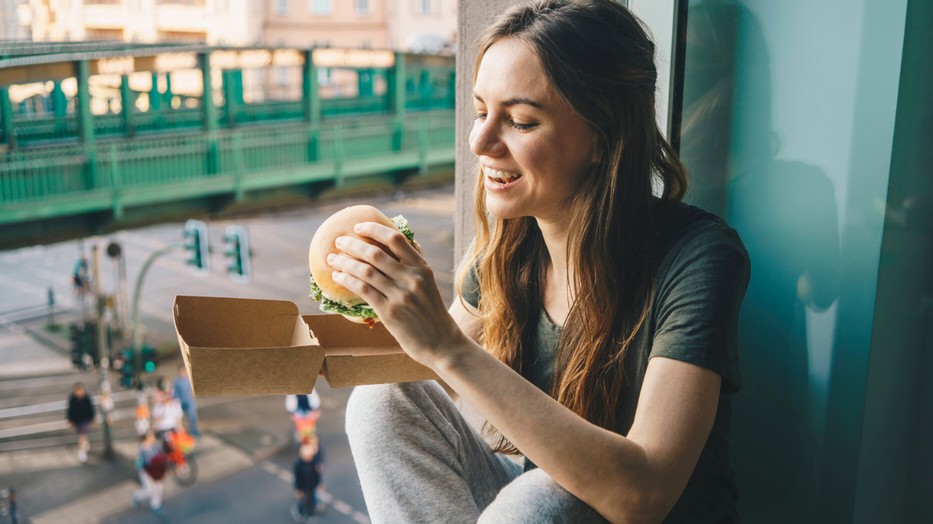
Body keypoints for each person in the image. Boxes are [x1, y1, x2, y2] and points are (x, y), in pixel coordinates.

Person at [332, 1, 750, 522]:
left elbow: (642, 495)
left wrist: (446, 345)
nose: (480, 142)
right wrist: (374, 300)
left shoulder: (698, 255)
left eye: (521, 121)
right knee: (383, 402)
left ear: (603, 136)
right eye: (482, 112)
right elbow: (416, 366)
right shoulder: (511, 249)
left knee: (537, 501)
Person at [132, 430, 167, 518]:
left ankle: (155, 504)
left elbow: (161, 454)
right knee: (149, 490)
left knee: (159, 486)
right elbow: (144, 462)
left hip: (155, 470)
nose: (153, 438)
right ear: (146, 438)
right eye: (150, 436)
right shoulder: (143, 449)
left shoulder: (155, 446)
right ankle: (137, 497)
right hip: (146, 471)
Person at [291, 435, 325, 523]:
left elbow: (316, 474)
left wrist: (319, 483)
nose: (310, 457)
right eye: (308, 455)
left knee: (311, 500)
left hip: (312, 486)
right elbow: (297, 478)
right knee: (303, 501)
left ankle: (310, 514)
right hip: (304, 488)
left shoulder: (313, 461)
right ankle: (299, 512)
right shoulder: (298, 465)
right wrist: (298, 489)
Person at [65, 382, 95, 463]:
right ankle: (84, 447)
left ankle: (82, 451)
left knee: (82, 435)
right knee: (83, 435)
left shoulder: (86, 398)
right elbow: (70, 410)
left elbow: (90, 409)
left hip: (84, 420)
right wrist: (70, 420)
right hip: (77, 420)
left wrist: (92, 418)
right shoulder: (73, 399)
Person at [172, 365, 200, 437]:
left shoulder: (189, 380)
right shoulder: (176, 381)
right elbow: (175, 392)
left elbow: (194, 389)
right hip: (180, 401)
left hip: (189, 401)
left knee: (192, 416)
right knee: (181, 418)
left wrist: (192, 392)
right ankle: (183, 432)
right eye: (181, 371)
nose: (183, 373)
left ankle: (194, 431)